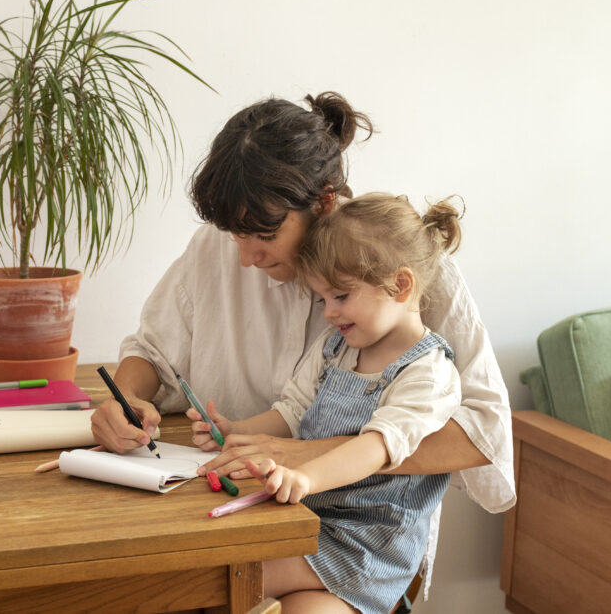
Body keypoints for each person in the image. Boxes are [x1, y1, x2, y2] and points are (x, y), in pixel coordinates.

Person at [89, 92, 514, 588]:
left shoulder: (407, 270)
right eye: (234, 234)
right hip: (238, 501)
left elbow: (483, 432)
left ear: (324, 201)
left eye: (263, 234)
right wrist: (124, 400)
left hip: (363, 541)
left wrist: (306, 455)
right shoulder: (216, 249)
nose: (246, 256)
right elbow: (152, 351)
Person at [190, 193, 465, 613]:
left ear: (401, 285)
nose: (330, 313)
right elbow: (292, 410)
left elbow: (376, 448)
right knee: (237, 583)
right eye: (323, 300)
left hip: (368, 549)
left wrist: (306, 478)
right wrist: (237, 430)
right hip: (309, 525)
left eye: (341, 296)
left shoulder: (428, 373)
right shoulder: (336, 346)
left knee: (225, 579)